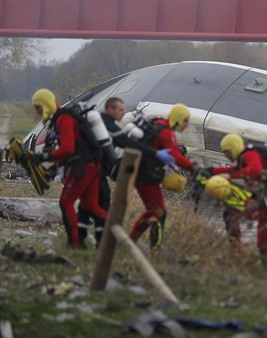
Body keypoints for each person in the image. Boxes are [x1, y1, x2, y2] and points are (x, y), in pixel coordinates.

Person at [76, 96, 175, 248]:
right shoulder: (105, 123)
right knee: (103, 202)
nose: (123, 112)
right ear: (110, 109)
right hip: (95, 169)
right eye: (120, 110)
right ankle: (101, 242)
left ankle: (80, 238)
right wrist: (155, 153)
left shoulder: (103, 122)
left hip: (90, 167)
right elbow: (126, 141)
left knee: (88, 203)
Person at [30, 88, 107, 249]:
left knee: (66, 202)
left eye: (38, 107)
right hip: (93, 166)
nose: (37, 111)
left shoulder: (63, 119)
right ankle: (114, 233)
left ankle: (74, 243)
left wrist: (43, 158)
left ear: (46, 104)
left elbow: (67, 149)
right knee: (92, 205)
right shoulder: (63, 117)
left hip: (83, 167)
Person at [211, 134, 267, 270]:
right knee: (231, 213)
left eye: (226, 152)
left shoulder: (249, 154)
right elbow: (234, 169)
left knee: (264, 246)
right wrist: (211, 171)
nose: (225, 156)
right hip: (264, 202)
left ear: (232, 148)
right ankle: (236, 249)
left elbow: (255, 169)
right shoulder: (244, 158)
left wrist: (229, 176)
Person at [129, 103, 195, 248]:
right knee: (159, 212)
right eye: (185, 120)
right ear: (177, 118)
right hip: (146, 176)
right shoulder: (166, 132)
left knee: (154, 211)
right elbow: (175, 156)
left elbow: (171, 150)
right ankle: (153, 247)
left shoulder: (159, 125)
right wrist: (193, 168)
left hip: (142, 174)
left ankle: (131, 241)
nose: (186, 125)